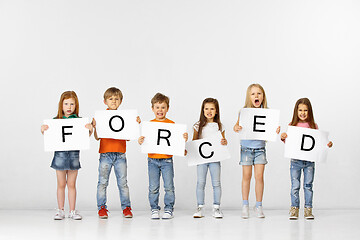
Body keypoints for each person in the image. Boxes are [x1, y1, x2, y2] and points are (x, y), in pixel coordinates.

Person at [41, 91, 93, 220]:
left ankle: (73, 211)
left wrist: (90, 130)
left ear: (76, 105)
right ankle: (60, 210)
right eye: (66, 104)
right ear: (61, 105)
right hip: (60, 156)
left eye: (71, 104)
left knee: (71, 184)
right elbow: (50, 137)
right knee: (61, 184)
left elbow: (84, 138)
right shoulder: (56, 121)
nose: (69, 107)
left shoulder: (79, 121)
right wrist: (44, 130)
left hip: (74, 156)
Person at [92, 87, 140, 219]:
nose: (113, 101)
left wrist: (135, 124)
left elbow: (129, 137)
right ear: (105, 101)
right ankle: (101, 208)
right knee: (102, 182)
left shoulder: (125, 117)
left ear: (121, 101)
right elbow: (97, 137)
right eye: (110, 99)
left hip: (120, 154)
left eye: (116, 99)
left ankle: (126, 208)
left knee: (123, 183)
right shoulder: (101, 117)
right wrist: (95, 126)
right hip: (105, 154)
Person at [281, 98, 333, 220]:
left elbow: (318, 143)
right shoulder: (292, 126)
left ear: (310, 111)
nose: (303, 113)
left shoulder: (314, 126)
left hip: (309, 161)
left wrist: (327, 144)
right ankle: (294, 209)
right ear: (296, 111)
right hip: (295, 161)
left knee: (308, 185)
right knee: (295, 185)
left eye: (305, 110)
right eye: (300, 110)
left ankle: (308, 210)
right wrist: (283, 138)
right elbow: (290, 143)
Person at [138, 93, 188, 219]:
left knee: (169, 186)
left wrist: (183, 139)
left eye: (163, 107)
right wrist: (141, 141)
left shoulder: (172, 124)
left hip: (167, 160)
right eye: (157, 107)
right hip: (152, 160)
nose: (160, 110)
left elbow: (176, 142)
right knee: (153, 187)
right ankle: (154, 208)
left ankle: (168, 208)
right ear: (152, 109)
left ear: (167, 108)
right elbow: (145, 141)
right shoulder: (149, 125)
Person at [233, 83, 280, 218]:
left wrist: (275, 130)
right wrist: (236, 128)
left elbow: (270, 130)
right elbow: (236, 126)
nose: (256, 96)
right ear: (249, 97)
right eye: (253, 94)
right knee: (246, 177)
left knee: (259, 177)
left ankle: (258, 205)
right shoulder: (244, 111)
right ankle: (245, 205)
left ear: (263, 96)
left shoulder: (267, 112)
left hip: (260, 148)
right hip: (246, 148)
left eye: (259, 93)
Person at [192, 98, 227, 219]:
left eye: (212, 108)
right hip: (201, 159)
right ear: (203, 110)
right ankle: (200, 207)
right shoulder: (198, 125)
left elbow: (223, 142)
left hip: (215, 159)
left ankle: (216, 207)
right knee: (200, 182)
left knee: (216, 183)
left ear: (216, 111)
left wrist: (224, 141)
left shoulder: (219, 126)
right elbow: (194, 142)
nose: (209, 111)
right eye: (206, 108)